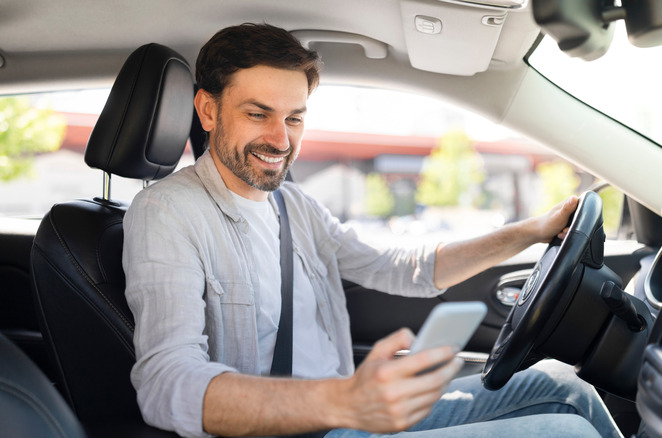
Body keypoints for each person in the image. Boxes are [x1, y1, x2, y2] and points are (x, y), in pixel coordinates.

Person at [123, 23, 622, 438]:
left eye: (294, 118)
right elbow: (167, 385)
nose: (280, 139)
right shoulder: (166, 212)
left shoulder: (292, 204)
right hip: (306, 427)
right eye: (258, 115)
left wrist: (531, 231)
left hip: (349, 417)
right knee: (565, 433)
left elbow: (401, 269)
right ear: (208, 110)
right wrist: (343, 400)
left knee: (562, 384)